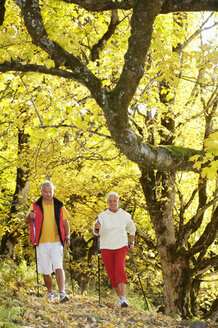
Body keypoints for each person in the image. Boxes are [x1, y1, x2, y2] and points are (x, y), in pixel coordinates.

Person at [25, 181, 71, 303]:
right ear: (42, 192)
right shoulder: (35, 205)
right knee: (46, 270)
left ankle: (62, 293)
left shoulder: (59, 205)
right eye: (45, 191)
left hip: (56, 242)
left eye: (50, 191)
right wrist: (30, 216)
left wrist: (67, 237)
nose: (48, 194)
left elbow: (66, 223)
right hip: (41, 242)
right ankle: (50, 293)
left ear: (53, 192)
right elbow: (26, 220)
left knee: (58, 266)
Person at [93, 192, 136, 307]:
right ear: (107, 202)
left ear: (118, 201)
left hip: (121, 246)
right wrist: (96, 228)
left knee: (119, 270)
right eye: (110, 201)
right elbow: (97, 232)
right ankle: (120, 298)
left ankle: (123, 298)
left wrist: (132, 242)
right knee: (111, 273)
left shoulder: (125, 215)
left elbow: (132, 229)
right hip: (106, 247)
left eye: (114, 200)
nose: (112, 203)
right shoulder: (102, 215)